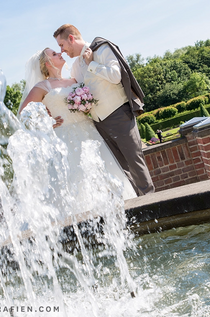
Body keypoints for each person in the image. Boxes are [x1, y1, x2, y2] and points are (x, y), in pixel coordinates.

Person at [18, 48, 137, 208]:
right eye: (54, 54)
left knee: (104, 172)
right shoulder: (42, 86)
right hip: (64, 137)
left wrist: (87, 106)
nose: (60, 53)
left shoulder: (73, 81)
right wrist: (47, 122)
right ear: (48, 63)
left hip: (89, 132)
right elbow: (23, 115)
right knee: (76, 179)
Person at [54, 24, 155, 196]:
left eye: (62, 45)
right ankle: (139, 210)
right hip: (98, 124)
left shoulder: (102, 48)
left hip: (119, 115)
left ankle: (154, 205)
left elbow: (116, 76)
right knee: (121, 169)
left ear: (71, 39)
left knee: (135, 163)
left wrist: (92, 64)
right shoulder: (75, 68)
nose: (62, 51)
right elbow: (73, 93)